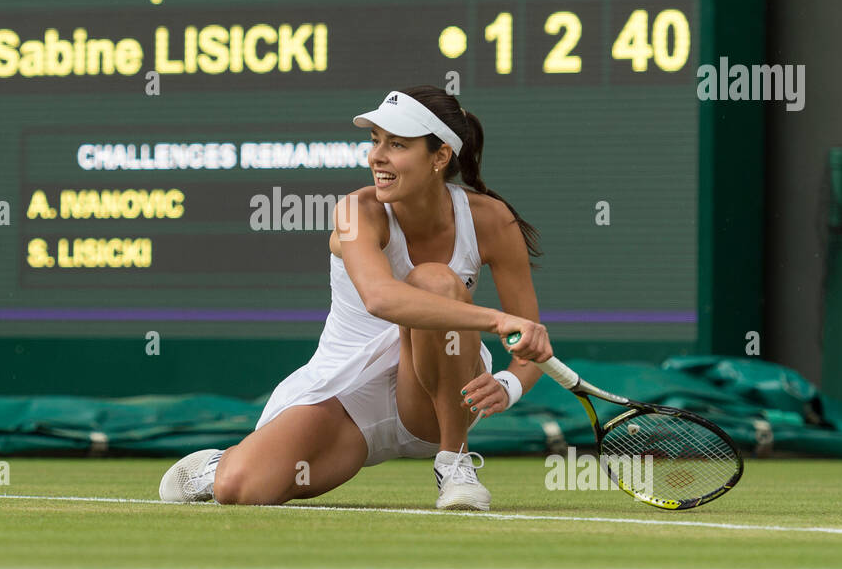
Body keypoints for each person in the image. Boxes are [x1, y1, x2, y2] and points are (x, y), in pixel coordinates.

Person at [159, 86, 552, 511]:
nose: (377, 157)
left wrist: (509, 385)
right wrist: (495, 321)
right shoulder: (355, 211)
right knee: (240, 490)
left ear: (439, 157)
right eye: (375, 141)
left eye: (397, 144)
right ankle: (222, 464)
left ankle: (455, 463)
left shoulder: (492, 220)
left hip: (434, 402)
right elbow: (381, 299)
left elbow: (530, 348)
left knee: (435, 281)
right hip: (347, 395)